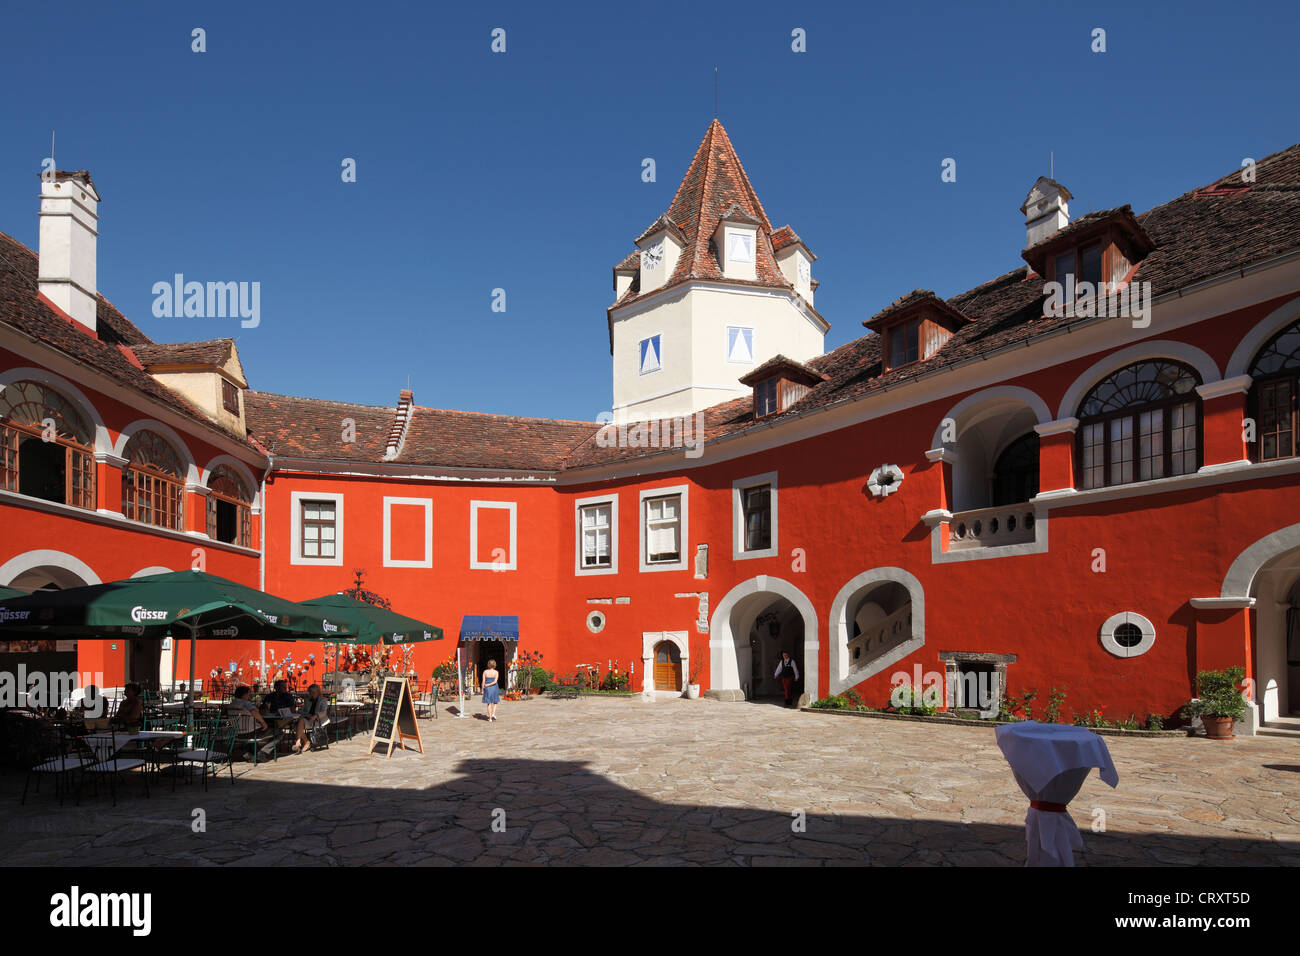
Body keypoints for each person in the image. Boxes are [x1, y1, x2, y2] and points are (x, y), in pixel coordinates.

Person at [227, 685, 274, 760]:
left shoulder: (231, 704)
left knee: (258, 729)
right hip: (251, 733)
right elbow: (254, 712)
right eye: (249, 693)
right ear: (245, 694)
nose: (249, 695)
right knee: (277, 732)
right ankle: (262, 752)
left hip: (237, 733)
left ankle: (249, 753)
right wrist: (263, 723)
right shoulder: (246, 703)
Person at [292, 684, 330, 753]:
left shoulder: (323, 700)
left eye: (313, 693)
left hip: (318, 720)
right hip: (308, 719)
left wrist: (316, 715)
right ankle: (306, 742)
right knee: (295, 726)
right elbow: (301, 710)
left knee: (300, 722)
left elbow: (324, 712)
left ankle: (298, 742)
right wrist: (307, 714)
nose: (311, 694)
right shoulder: (308, 700)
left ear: (318, 692)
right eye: (310, 692)